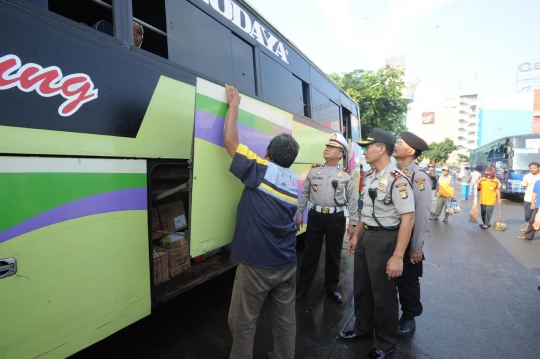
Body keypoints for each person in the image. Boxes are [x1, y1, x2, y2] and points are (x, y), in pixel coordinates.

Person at [224, 85, 300, 359]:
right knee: (285, 320)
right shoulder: (294, 183)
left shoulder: (261, 169)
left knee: (242, 323)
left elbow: (231, 143)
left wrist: (234, 105)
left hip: (257, 264)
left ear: (267, 152)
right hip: (287, 263)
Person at [337, 129, 415, 359]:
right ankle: (363, 328)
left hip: (385, 239)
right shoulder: (371, 176)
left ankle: (386, 342)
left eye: (367, 147)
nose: (364, 151)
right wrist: (356, 236)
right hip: (367, 237)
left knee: (384, 294)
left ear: (381, 148)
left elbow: (408, 218)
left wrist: (398, 256)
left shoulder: (397, 180)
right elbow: (366, 211)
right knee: (362, 288)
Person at [295, 132, 359, 304]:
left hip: (336, 218)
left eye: (332, 148)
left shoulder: (345, 175)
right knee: (310, 253)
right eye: (327, 147)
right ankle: (302, 287)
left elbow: (352, 199)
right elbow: (305, 194)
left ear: (340, 154)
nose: (327, 149)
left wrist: (353, 222)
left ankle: (331, 288)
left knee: (333, 254)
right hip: (315, 216)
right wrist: (300, 214)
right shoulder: (315, 170)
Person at [392, 131, 431, 338]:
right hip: (389, 235)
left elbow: (422, 214)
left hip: (407, 239)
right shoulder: (391, 172)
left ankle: (409, 316)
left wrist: (416, 247)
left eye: (400, 143)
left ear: (411, 151)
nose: (396, 145)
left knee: (408, 280)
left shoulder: (419, 177)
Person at [520, 162, 540, 232]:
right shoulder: (526, 176)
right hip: (528, 198)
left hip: (539, 200)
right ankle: (528, 227)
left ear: (538, 168)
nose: (532, 169)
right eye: (531, 168)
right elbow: (525, 186)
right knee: (528, 215)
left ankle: (538, 227)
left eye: (534, 168)